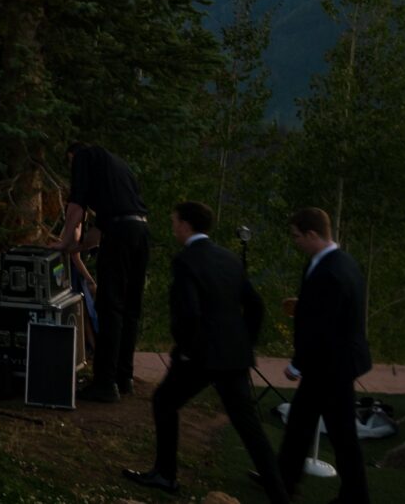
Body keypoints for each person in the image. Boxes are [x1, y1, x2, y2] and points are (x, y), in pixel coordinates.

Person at [122, 201, 289, 503]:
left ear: (185, 224)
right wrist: (244, 342)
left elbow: (188, 312)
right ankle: (280, 495)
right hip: (233, 356)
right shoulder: (229, 258)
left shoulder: (186, 261)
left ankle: (165, 474)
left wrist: (187, 349)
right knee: (248, 425)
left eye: (174, 221)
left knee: (164, 401)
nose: (173, 227)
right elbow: (255, 305)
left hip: (201, 354)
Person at [277, 207, 373, 504]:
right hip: (333, 362)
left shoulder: (329, 272)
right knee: (302, 425)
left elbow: (323, 328)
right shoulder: (338, 263)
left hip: (331, 364)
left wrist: (297, 364)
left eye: (297, 236)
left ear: (313, 234)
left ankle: (354, 495)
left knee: (339, 432)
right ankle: (284, 480)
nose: (295, 242)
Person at [61, 141, 151, 403]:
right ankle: (124, 377)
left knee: (109, 306)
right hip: (140, 232)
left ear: (72, 156)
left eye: (69, 164)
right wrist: (78, 246)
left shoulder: (83, 158)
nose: (72, 169)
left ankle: (104, 383)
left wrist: (64, 243)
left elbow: (76, 207)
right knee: (130, 308)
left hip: (119, 235)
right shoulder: (117, 168)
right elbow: (98, 232)